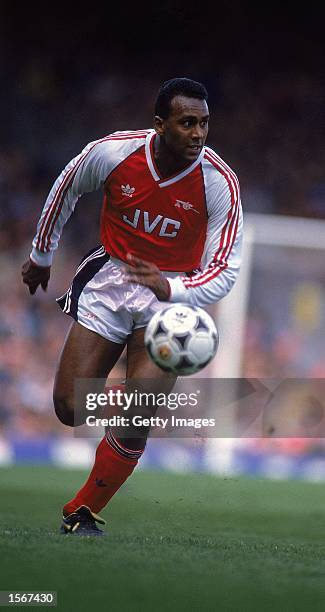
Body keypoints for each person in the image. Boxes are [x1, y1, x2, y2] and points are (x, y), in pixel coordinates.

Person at [21, 77, 243, 535]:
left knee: (139, 412)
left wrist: (173, 290)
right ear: (160, 125)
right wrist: (42, 254)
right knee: (70, 406)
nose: (198, 134)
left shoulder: (220, 183)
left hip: (173, 297)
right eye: (187, 123)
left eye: (204, 123)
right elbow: (67, 187)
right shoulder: (114, 153)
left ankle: (82, 511)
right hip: (111, 280)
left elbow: (225, 269)